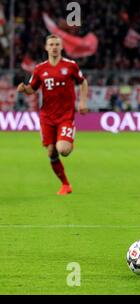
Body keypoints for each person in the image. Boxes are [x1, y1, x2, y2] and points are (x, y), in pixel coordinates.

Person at [17, 34, 88, 195]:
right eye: (51, 44)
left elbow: (83, 82)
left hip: (65, 116)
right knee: (51, 152)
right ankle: (65, 185)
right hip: (47, 117)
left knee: (63, 149)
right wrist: (24, 89)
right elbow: (32, 89)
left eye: (57, 44)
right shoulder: (40, 69)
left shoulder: (71, 65)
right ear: (46, 47)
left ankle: (67, 141)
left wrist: (83, 102)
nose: (54, 47)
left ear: (61, 47)